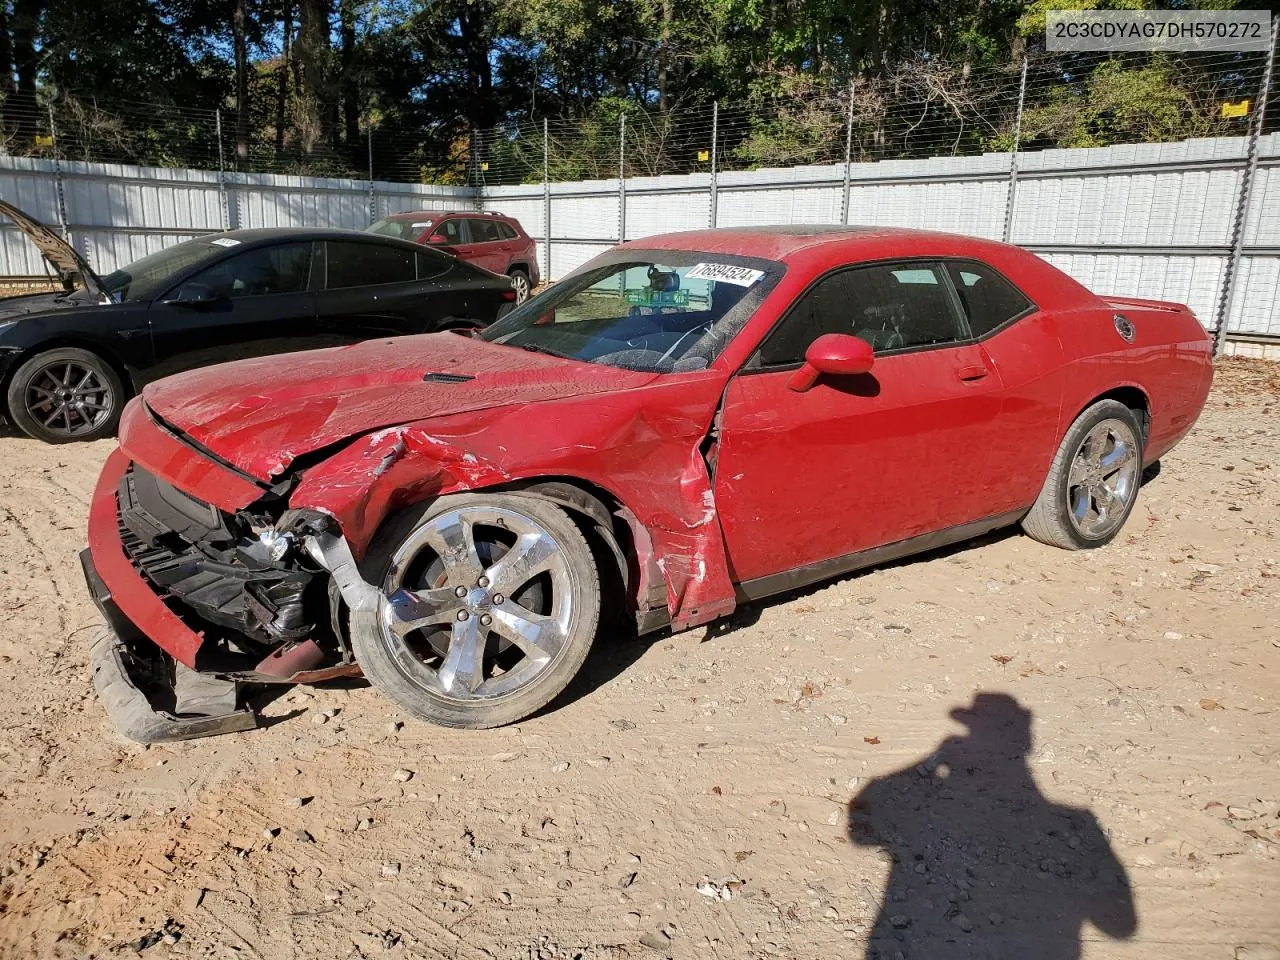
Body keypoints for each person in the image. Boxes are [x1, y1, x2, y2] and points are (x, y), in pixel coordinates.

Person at [848, 693, 1136, 959]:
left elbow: (860, 831)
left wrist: (930, 762)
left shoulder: (1076, 821)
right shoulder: (1078, 822)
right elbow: (1121, 927)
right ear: (1026, 741)